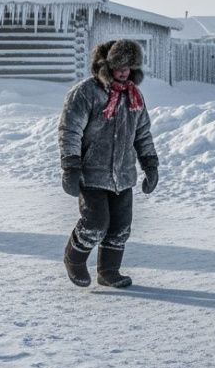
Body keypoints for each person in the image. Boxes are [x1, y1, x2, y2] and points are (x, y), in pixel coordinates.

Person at [58, 39, 159, 288]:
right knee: (95, 223)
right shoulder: (86, 92)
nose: (124, 72)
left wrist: (150, 164)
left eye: (128, 67)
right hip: (92, 173)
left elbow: (142, 134)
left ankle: (109, 272)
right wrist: (70, 166)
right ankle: (74, 259)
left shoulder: (134, 96)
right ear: (106, 65)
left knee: (120, 227)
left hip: (123, 175)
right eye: (119, 66)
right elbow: (70, 131)